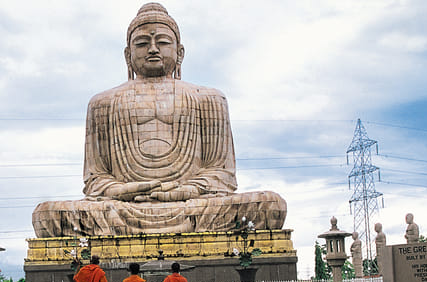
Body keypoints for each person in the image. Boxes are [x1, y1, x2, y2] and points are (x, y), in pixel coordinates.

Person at [32, 2, 287, 238]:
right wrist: (124, 191)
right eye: (142, 43)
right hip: (124, 206)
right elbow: (96, 179)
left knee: (270, 205)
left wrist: (185, 190)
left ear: (180, 53)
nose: (153, 48)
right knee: (47, 214)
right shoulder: (103, 103)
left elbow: (221, 174)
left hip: (192, 203)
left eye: (162, 42)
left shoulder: (209, 98)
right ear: (127, 54)